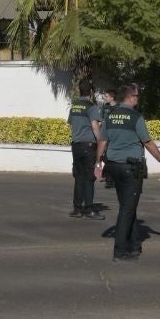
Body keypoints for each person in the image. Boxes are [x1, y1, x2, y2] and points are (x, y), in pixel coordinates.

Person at [95, 79, 160, 262]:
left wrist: (98, 163)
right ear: (130, 97)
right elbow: (148, 143)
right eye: (137, 96)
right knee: (127, 210)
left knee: (128, 206)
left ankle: (134, 245)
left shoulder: (110, 116)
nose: (138, 99)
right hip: (130, 168)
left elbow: (102, 141)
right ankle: (119, 251)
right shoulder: (136, 117)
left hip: (114, 167)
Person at [67, 78, 104, 217]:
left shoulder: (74, 106)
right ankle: (88, 209)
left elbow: (71, 124)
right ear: (91, 92)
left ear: (79, 90)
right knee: (89, 178)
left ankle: (77, 209)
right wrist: (101, 143)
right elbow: (95, 127)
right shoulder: (91, 106)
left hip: (76, 146)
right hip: (88, 147)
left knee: (79, 178)